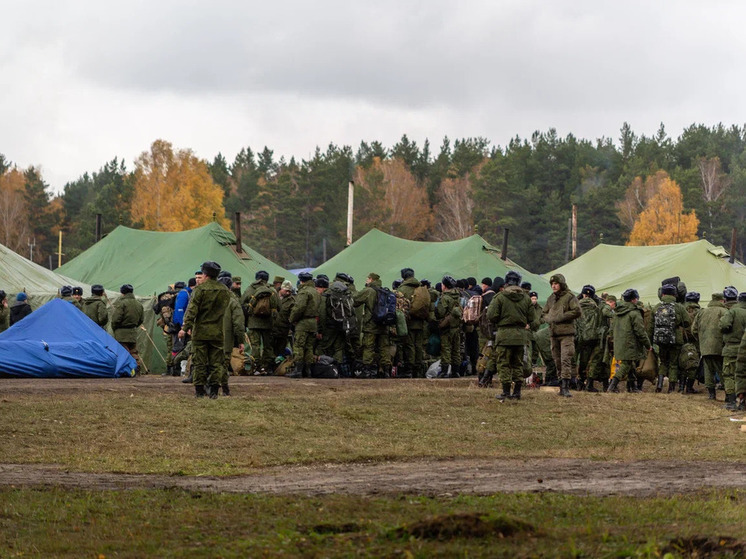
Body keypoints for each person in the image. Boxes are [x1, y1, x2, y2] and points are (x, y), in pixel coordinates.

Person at [179, 261, 231, 398]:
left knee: (199, 362)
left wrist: (185, 327)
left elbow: (192, 311)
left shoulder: (199, 290)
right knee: (216, 363)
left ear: (205, 274)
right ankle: (214, 390)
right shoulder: (225, 290)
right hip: (218, 332)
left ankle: (199, 391)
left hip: (200, 332)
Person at [486, 270, 539, 401]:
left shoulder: (500, 297)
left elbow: (491, 315)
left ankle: (505, 392)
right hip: (520, 336)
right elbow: (533, 319)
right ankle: (517, 392)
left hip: (504, 335)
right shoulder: (526, 298)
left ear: (506, 282)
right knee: (518, 364)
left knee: (503, 364)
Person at [542, 273, 581, 397]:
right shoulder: (550, 298)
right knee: (557, 360)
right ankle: (560, 384)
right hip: (554, 333)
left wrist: (561, 317)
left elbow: (577, 311)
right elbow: (543, 313)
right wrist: (549, 318)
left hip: (566, 333)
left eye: (556, 284)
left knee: (565, 359)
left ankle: (565, 387)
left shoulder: (570, 297)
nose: (553, 286)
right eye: (552, 284)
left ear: (561, 284)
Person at [608, 289, 652, 393]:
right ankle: (612, 386)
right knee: (626, 365)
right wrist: (647, 344)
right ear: (634, 299)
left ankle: (632, 387)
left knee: (630, 364)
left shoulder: (617, 312)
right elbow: (640, 331)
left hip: (619, 342)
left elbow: (611, 329)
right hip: (630, 343)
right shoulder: (634, 313)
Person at [650, 283, 690, 393]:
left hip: (660, 339)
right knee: (673, 363)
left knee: (663, 362)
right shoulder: (679, 307)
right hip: (675, 339)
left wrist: (649, 341)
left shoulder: (657, 307)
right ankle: (671, 388)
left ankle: (659, 385)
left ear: (662, 294)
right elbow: (687, 322)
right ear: (675, 295)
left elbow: (650, 326)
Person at [353, 272, 392, 378]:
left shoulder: (369, 291)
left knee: (368, 347)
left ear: (371, 279)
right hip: (384, 324)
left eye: (368, 278)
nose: (366, 280)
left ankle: (367, 371)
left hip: (371, 324)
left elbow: (355, 300)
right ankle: (386, 371)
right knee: (384, 348)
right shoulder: (385, 291)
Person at [242, 270, 280, 375]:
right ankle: (266, 367)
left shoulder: (251, 288)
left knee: (255, 345)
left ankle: (255, 367)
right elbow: (278, 306)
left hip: (253, 322)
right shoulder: (272, 289)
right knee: (268, 346)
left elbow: (243, 302)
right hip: (268, 323)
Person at [693, 292, 727, 400]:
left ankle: (711, 395)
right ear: (722, 300)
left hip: (705, 347)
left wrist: (701, 339)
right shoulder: (724, 311)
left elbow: (693, 329)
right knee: (723, 371)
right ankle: (729, 395)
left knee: (708, 370)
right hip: (719, 346)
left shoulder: (702, 312)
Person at [288, 271, 320, 378]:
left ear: (301, 281)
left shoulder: (304, 292)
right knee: (309, 347)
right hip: (313, 323)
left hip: (303, 323)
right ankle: (308, 370)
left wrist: (292, 319)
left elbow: (299, 308)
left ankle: (298, 370)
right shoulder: (315, 292)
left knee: (299, 346)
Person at [397, 267, 427, 378]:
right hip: (420, 321)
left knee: (409, 345)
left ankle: (409, 369)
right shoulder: (421, 287)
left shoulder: (403, 289)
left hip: (408, 321)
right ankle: (418, 369)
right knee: (418, 345)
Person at [218, 272, 245, 396]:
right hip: (226, 339)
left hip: (209, 336)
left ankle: (205, 387)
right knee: (223, 362)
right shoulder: (233, 301)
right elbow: (238, 323)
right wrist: (240, 340)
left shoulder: (209, 298)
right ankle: (224, 388)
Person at [719, 289, 746, 410]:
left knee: (729, 374)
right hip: (743, 346)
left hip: (732, 347)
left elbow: (724, 325)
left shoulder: (733, 311)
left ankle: (731, 400)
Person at [111, 284, 144, 373]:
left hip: (121, 332)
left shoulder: (122, 304)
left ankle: (125, 370)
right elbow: (141, 319)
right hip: (133, 332)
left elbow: (116, 319)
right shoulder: (139, 304)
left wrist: (115, 328)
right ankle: (136, 367)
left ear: (122, 293)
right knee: (133, 352)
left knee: (123, 352)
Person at [435, 275, 463, 378]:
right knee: (456, 349)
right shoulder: (458, 296)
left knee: (446, 348)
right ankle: (456, 371)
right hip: (457, 326)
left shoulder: (445, 297)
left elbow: (441, 312)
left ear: (445, 286)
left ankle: (444, 370)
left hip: (447, 327)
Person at [575, 285, 602, 391]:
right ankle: (589, 383)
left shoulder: (576, 305)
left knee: (580, 360)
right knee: (593, 360)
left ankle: (578, 382)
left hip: (578, 337)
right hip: (592, 337)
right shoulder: (596, 306)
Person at [271, 280, 296, 365]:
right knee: (270, 350)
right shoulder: (273, 296)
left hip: (283, 330)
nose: (288, 293)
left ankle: (278, 367)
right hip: (272, 328)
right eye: (286, 290)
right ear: (281, 289)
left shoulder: (291, 301)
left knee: (280, 350)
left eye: (289, 291)